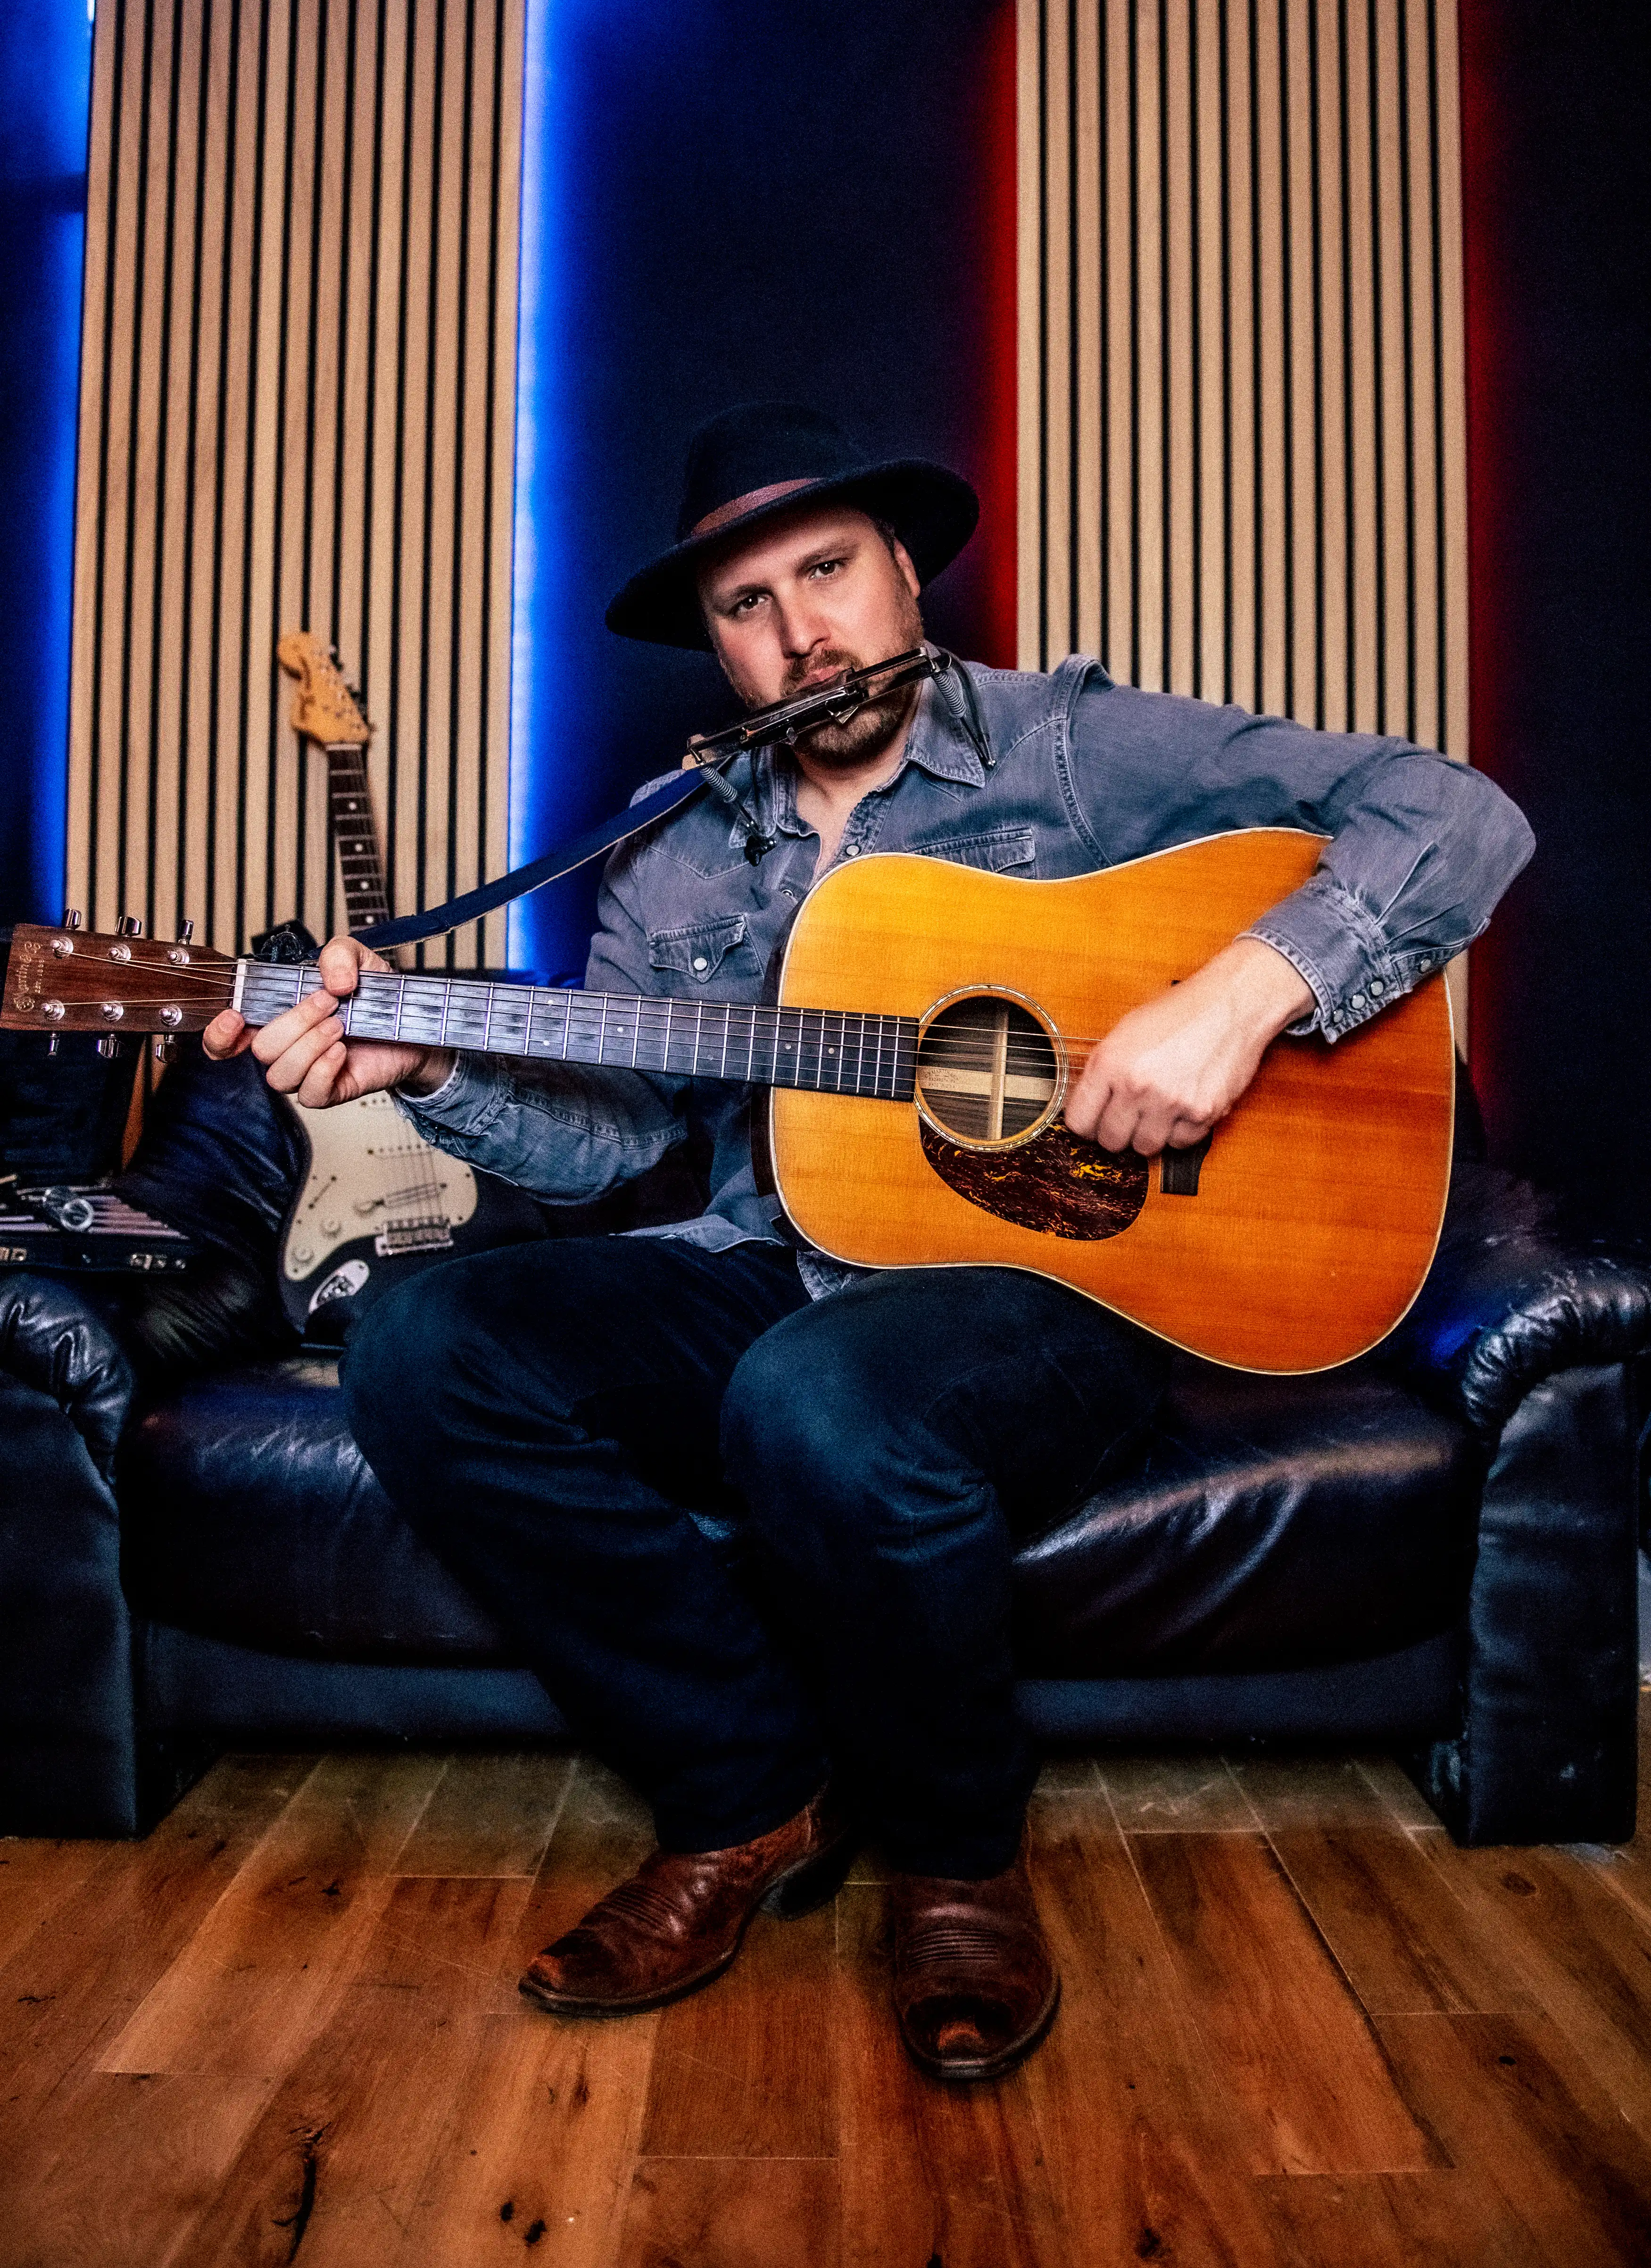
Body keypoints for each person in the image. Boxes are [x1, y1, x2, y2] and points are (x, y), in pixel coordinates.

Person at [204, 401, 1533, 2083]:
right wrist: (437, 1066)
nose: (801, 632)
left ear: (906, 573)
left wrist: (1234, 997)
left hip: (1054, 1282)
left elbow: (1459, 814)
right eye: (745, 607)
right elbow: (617, 1147)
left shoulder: (1071, 745)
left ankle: (955, 1860)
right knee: (424, 1341)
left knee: (818, 1396)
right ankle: (746, 1796)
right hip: (777, 1260)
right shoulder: (668, 846)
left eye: (827, 572)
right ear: (715, 647)